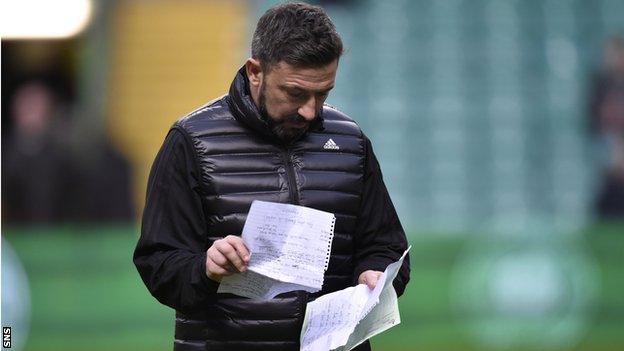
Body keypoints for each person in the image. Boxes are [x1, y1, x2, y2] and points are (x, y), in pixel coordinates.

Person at [133, 3, 410, 350]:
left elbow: (386, 246)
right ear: (255, 72)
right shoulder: (191, 141)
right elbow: (158, 263)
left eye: (322, 94)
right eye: (295, 93)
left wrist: (376, 275)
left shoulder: (351, 141)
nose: (310, 110)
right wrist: (206, 267)